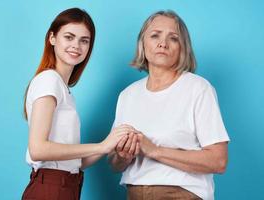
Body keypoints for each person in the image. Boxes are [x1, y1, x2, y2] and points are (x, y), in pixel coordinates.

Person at [109, 10, 230, 200]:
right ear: (143, 43)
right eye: (155, 35)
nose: (162, 43)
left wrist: (155, 150)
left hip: (181, 194)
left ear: (183, 48)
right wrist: (123, 156)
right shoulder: (128, 95)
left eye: (173, 38)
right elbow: (115, 165)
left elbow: (218, 160)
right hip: (134, 194)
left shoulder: (198, 88)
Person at [21, 8, 131, 200]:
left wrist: (111, 143)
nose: (76, 46)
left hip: (67, 187)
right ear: (52, 38)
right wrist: (101, 147)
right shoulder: (49, 80)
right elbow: (38, 149)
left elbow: (75, 162)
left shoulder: (63, 89)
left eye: (84, 40)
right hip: (50, 189)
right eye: (69, 37)